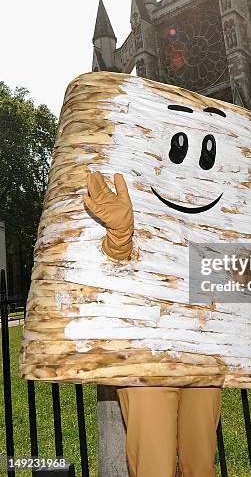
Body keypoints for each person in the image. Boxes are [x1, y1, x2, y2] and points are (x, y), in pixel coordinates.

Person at [84, 171, 221, 477]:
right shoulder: (135, 182)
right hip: (146, 355)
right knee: (153, 467)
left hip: (200, 350)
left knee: (201, 466)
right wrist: (120, 235)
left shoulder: (204, 199)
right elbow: (105, 268)